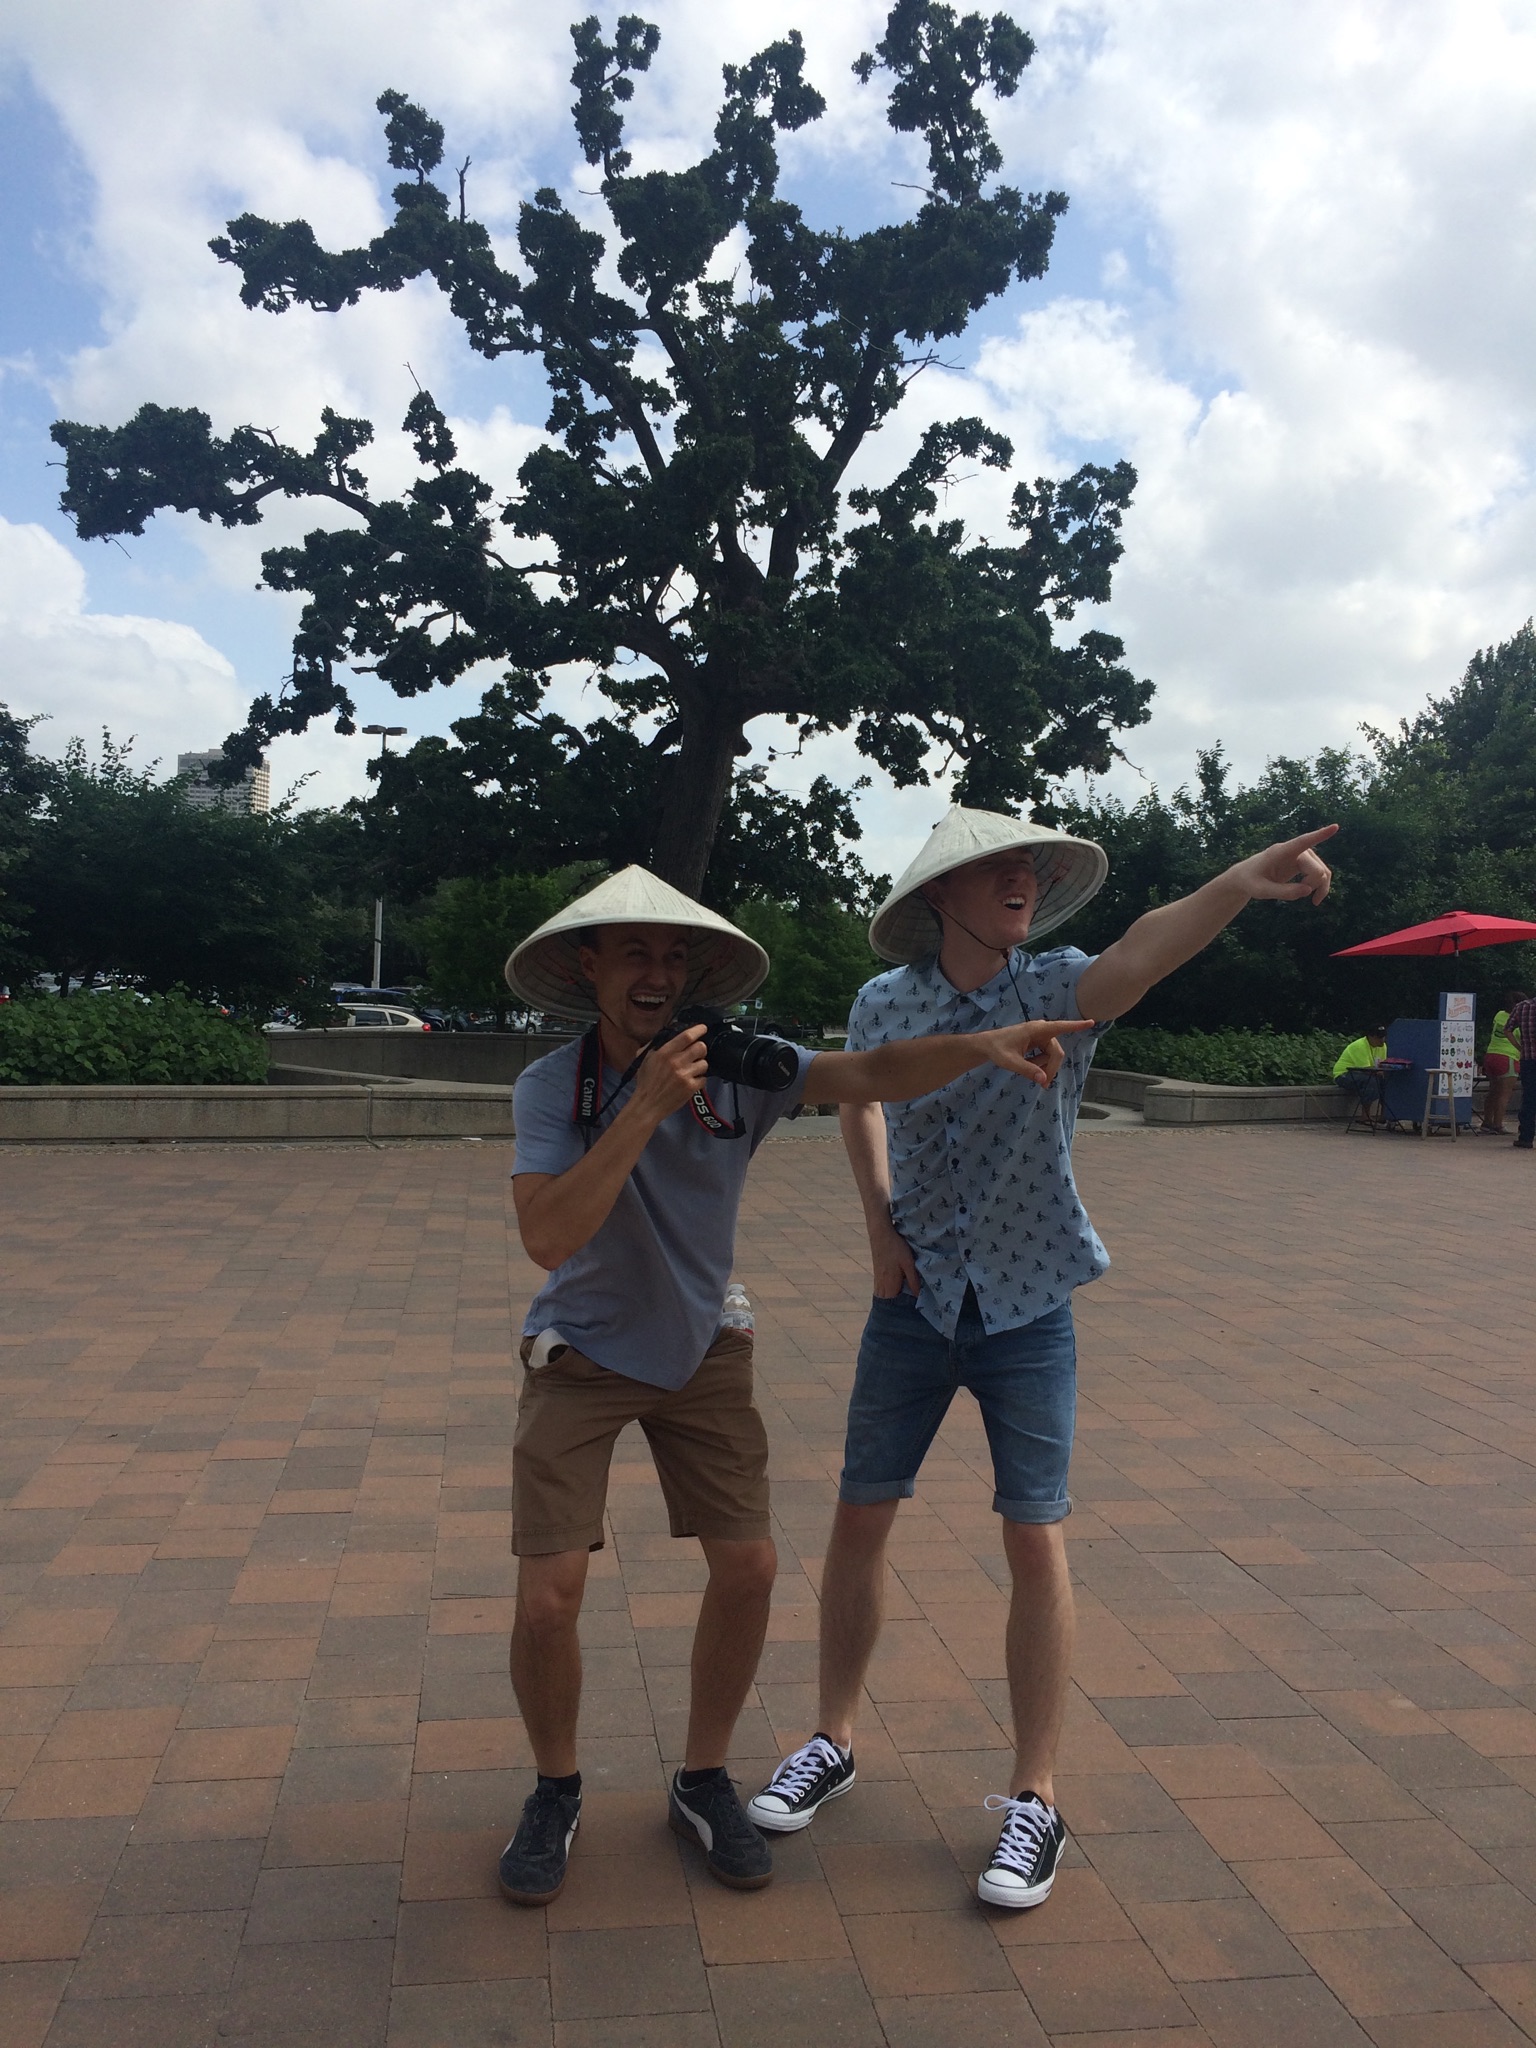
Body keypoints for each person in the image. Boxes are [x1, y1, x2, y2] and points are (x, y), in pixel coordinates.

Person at [750, 805, 1336, 1912]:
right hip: (914, 1300)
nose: (1021, 878)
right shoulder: (885, 1001)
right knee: (860, 1513)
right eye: (997, 867)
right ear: (941, 894)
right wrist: (878, 1223)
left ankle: (1036, 1796)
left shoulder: (1059, 987)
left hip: (1028, 1304)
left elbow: (1144, 950)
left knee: (1034, 1533)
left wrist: (1237, 880)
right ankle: (831, 1737)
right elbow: (857, 1092)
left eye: (1029, 866)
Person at [497, 863, 1090, 1907]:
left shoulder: (739, 1069)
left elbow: (873, 1072)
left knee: (751, 1567)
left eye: (673, 955)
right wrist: (642, 1107)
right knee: (549, 1597)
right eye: (633, 952)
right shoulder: (553, 1085)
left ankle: (702, 1777)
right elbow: (548, 1235)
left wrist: (980, 1045)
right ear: (588, 966)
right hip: (580, 1352)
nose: (656, 973)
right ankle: (555, 1789)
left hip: (701, 1351)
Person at [1481, 993, 1524, 1135]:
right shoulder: (1519, 1020)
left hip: (1491, 1055)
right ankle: (1498, 1125)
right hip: (1508, 1057)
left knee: (1493, 1091)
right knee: (1505, 1094)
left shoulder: (1499, 1015)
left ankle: (1487, 1122)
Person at [1333, 1026, 1389, 1123]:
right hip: (1344, 1074)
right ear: (1370, 1037)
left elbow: (1381, 1065)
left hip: (1366, 1073)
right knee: (1371, 1082)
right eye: (1379, 1037)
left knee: (1387, 1083)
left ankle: (1384, 1115)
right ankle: (1365, 1115)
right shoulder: (1360, 1046)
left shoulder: (1383, 1047)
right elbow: (1365, 1069)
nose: (1382, 1040)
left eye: (1384, 1037)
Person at [1509, 989, 1536, 1149]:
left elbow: (1507, 1029)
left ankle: (1526, 1137)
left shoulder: (1522, 1007)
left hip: (1528, 1059)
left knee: (1529, 1098)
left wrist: (1520, 1046)